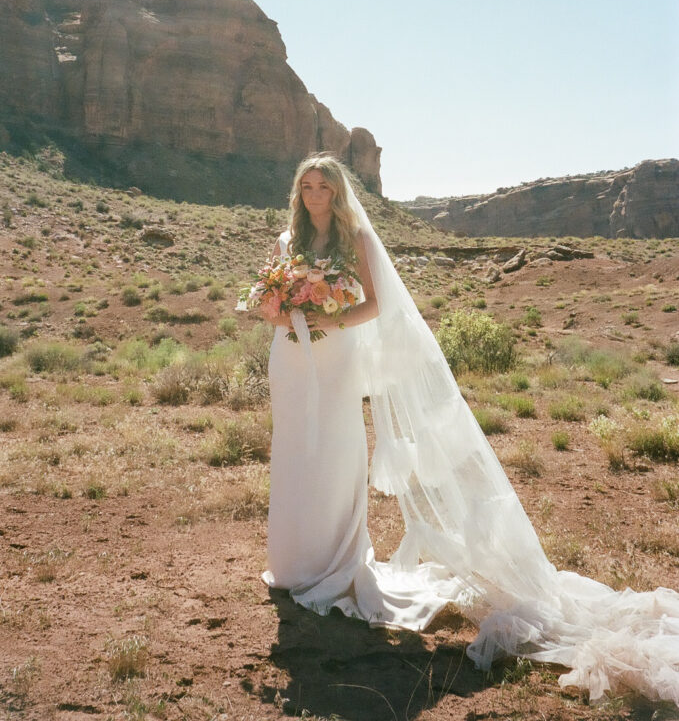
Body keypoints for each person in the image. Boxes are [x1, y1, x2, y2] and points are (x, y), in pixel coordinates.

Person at [262, 153, 679, 706]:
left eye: (323, 185)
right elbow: (268, 298)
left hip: (334, 359)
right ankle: (292, 561)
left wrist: (328, 319)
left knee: (334, 453)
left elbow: (375, 306)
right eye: (306, 184)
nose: (313, 192)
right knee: (293, 453)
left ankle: (334, 562)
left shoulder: (356, 238)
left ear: (337, 192)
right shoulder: (287, 242)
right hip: (290, 359)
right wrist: (275, 309)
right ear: (298, 191)